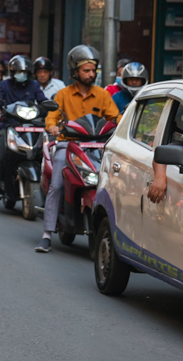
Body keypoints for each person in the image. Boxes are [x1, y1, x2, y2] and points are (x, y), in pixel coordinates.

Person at [37, 45, 121, 251]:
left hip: (98, 146)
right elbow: (52, 117)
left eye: (93, 71)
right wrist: (53, 126)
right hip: (68, 144)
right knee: (56, 185)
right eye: (86, 70)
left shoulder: (102, 95)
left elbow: (115, 117)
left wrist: (124, 125)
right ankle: (47, 234)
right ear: (75, 71)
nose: (91, 74)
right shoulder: (63, 95)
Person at [0, 55, 49, 215]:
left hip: (30, 128)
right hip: (9, 126)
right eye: (19, 71)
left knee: (43, 157)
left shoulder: (34, 86)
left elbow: (42, 101)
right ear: (12, 71)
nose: (22, 74)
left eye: (25, 72)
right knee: (0, 158)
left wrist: (47, 108)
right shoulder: (4, 85)